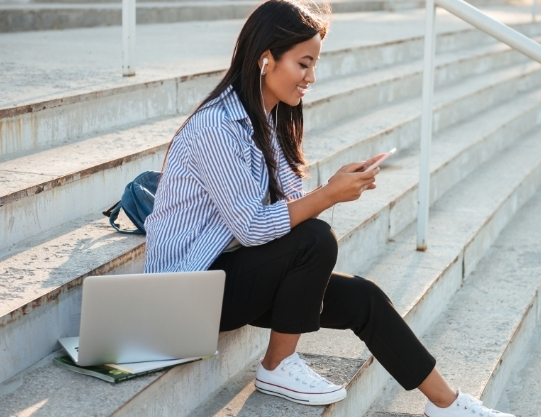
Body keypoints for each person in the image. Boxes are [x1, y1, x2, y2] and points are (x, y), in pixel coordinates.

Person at [144, 1, 514, 416]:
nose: (311, 78)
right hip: (186, 291)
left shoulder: (268, 120)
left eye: (314, 65)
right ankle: (277, 365)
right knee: (315, 240)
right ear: (266, 58)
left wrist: (332, 186)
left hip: (232, 272)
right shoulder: (216, 127)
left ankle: (449, 405)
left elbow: (288, 207)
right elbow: (252, 227)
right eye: (304, 64)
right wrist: (329, 195)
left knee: (363, 297)